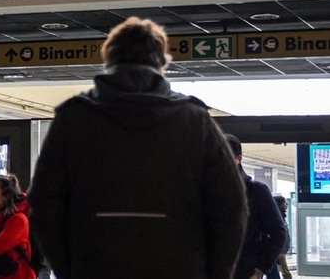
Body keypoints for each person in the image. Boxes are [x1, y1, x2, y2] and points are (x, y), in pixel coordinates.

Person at [27, 16, 247, 279]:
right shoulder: (194, 119)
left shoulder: (73, 119)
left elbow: (43, 204)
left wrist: (70, 269)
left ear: (108, 60)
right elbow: (230, 207)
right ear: (161, 62)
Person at [227, 135, 289, 279]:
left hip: (244, 271)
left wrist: (259, 270)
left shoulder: (256, 191)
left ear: (238, 159)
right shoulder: (206, 191)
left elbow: (278, 233)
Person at [266, 195, 292, 279]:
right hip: (277, 251)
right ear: (280, 204)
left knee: (279, 271)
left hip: (280, 251)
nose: (286, 204)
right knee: (281, 272)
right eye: (285, 202)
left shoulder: (281, 215)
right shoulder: (276, 217)